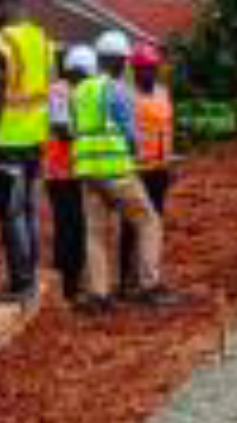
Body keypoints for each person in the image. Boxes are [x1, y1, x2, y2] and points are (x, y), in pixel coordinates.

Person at [70, 49, 168, 315]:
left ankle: (99, 295)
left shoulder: (79, 91)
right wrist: (134, 154)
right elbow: (129, 131)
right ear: (121, 62)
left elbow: (72, 128)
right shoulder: (117, 90)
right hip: (117, 171)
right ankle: (149, 285)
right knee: (148, 220)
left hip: (88, 172)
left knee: (96, 234)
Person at [0, 0, 51, 304]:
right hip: (35, 137)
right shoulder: (40, 38)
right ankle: (29, 275)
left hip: (7, 139)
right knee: (29, 210)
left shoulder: (1, 43)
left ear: (2, 4)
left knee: (11, 213)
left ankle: (20, 282)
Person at [122, 39, 177, 289]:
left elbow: (167, 129)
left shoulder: (163, 92)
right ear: (134, 70)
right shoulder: (127, 96)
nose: (147, 72)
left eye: (151, 67)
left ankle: (148, 272)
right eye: (142, 68)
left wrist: (170, 162)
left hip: (159, 169)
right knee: (132, 225)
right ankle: (127, 275)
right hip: (136, 170)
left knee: (155, 223)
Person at [44, 46, 96, 303]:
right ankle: (67, 288)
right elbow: (61, 127)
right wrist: (89, 138)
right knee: (68, 230)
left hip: (77, 172)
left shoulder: (78, 91)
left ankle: (75, 285)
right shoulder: (60, 91)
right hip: (61, 174)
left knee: (79, 229)